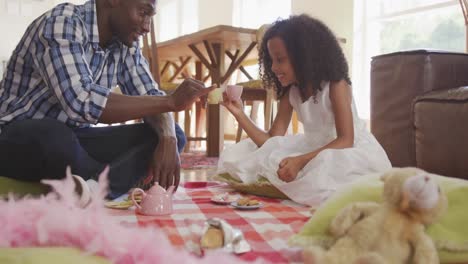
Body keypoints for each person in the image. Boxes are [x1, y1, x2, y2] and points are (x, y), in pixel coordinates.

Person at [0, 0, 214, 199]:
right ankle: (119, 178)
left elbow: (150, 94)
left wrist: (168, 138)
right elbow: (81, 103)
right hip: (16, 137)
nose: (147, 27)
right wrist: (171, 102)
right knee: (55, 138)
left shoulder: (125, 44)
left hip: (75, 138)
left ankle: (93, 188)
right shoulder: (62, 22)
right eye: (143, 12)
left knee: (172, 133)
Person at [217, 14, 391, 206]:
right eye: (271, 60)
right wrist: (239, 114)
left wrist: (301, 160)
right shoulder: (290, 91)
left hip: (344, 149)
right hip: (312, 147)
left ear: (304, 57)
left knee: (324, 167)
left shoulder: (336, 85)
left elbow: (346, 140)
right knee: (256, 153)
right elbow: (270, 140)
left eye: (280, 60)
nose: (273, 67)